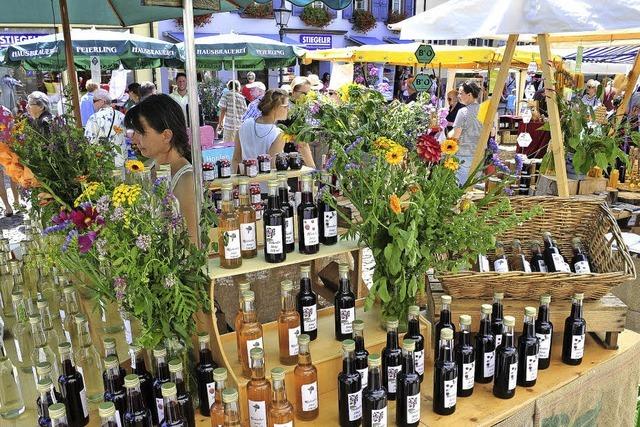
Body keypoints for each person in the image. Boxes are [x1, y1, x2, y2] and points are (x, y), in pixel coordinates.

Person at [124, 94, 197, 244]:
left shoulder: (186, 178)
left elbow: (191, 241)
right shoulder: (148, 167)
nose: (134, 139)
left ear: (166, 135)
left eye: (141, 132)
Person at [232, 89, 315, 175]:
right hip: (268, 185)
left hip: (247, 183)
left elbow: (236, 159)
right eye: (286, 106)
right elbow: (272, 167)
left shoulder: (245, 124)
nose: (288, 109)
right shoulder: (278, 134)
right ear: (276, 107)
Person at [449, 81, 482, 185]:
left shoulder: (463, 112)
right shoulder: (485, 110)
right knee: (472, 189)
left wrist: (449, 135)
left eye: (461, 93)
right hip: (479, 154)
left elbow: (456, 136)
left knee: (460, 189)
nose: (459, 96)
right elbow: (493, 132)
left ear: (469, 94)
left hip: (464, 154)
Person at [84, 89, 126, 167]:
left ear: (102, 101)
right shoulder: (121, 116)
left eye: (94, 101)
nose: (93, 104)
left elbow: (89, 140)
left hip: (103, 163)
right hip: (121, 161)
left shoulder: (94, 118)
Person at [0, 106, 21, 216]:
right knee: (13, 177)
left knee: (0, 180)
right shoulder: (6, 112)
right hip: (9, 148)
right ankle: (17, 202)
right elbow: (14, 132)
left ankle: (8, 207)